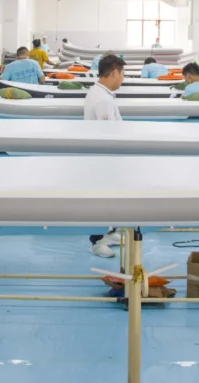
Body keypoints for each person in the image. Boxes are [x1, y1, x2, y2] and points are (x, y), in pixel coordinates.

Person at [85, 54, 126, 257]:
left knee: (108, 199)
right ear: (114, 72)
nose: (123, 79)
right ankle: (96, 242)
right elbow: (108, 135)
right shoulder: (102, 99)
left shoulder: (100, 93)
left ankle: (107, 232)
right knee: (99, 201)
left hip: (102, 158)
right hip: (102, 158)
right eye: (122, 74)